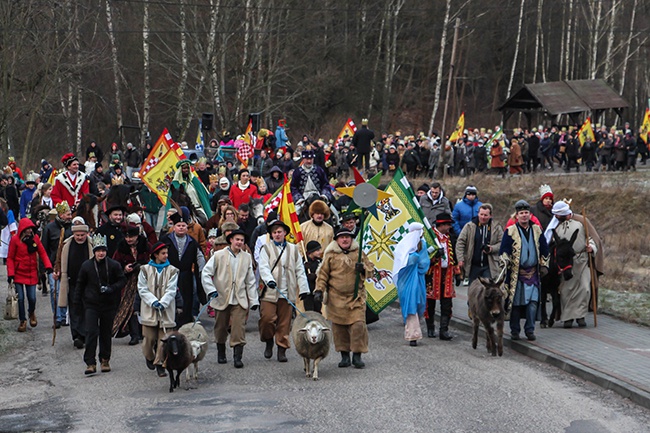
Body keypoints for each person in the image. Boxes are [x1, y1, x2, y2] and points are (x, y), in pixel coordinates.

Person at [315, 227, 372, 369]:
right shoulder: (330, 255)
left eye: (347, 236)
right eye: (342, 237)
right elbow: (323, 275)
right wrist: (319, 290)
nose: (345, 239)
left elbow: (371, 270)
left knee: (358, 325)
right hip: (336, 298)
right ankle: (344, 356)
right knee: (339, 329)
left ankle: (357, 355)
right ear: (337, 240)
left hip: (356, 298)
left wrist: (363, 268)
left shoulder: (359, 253)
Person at [202, 229, 258, 368]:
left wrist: (254, 300)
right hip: (221, 297)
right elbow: (206, 273)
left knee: (239, 328)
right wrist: (211, 291)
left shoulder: (246, 258)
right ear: (231, 240)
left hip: (239, 298)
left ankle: (237, 356)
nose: (239, 242)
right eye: (237, 239)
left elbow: (250, 281)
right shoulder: (218, 255)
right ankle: (221, 351)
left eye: (242, 240)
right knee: (220, 328)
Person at [258, 217, 309, 362]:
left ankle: (282, 348)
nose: (277, 234)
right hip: (270, 291)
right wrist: (269, 280)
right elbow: (263, 267)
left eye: (279, 232)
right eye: (274, 232)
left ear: (285, 233)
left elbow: (300, 270)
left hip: (288, 292)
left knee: (284, 323)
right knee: (267, 319)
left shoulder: (294, 249)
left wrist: (304, 288)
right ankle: (268, 340)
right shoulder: (266, 249)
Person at [75, 234, 126, 375]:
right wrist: (77, 304)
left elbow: (122, 280)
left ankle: (105, 359)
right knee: (91, 332)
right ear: (94, 251)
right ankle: (90, 363)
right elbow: (80, 285)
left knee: (105, 333)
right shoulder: (87, 266)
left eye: (103, 250)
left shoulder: (114, 265)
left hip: (108, 304)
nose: (101, 253)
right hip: (91, 304)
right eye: (98, 250)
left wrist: (112, 289)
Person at [499, 200, 549, 341]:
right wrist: (505, 259)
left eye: (526, 213)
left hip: (533, 273)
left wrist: (544, 264)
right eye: (521, 213)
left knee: (533, 303)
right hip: (517, 274)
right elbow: (504, 250)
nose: (524, 216)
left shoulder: (537, 230)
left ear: (530, 214)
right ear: (517, 215)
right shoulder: (510, 231)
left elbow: (545, 248)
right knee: (516, 304)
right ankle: (515, 330)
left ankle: (530, 329)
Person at [547, 202, 597, 328]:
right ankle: (568, 317)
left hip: (582, 260)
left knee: (584, 288)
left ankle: (580, 316)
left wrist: (591, 248)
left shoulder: (581, 224)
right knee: (566, 290)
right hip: (566, 264)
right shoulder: (557, 228)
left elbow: (590, 238)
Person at [137, 242, 179, 377]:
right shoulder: (144, 270)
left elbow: (172, 289)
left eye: (167, 253)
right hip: (149, 311)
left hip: (166, 312)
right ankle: (149, 357)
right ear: (155, 255)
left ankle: (160, 364)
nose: (166, 256)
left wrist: (163, 302)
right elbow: (142, 289)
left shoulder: (173, 270)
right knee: (148, 339)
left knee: (163, 341)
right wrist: (153, 301)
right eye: (163, 253)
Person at [160, 210, 206, 327]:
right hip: (169, 275)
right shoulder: (166, 240)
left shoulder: (192, 242)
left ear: (187, 227)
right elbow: (158, 256)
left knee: (187, 300)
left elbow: (199, 258)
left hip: (186, 277)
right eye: (178, 226)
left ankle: (185, 323)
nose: (181, 228)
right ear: (174, 227)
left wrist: (202, 272)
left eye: (183, 226)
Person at [7, 218, 53, 332]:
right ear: (23, 229)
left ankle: (31, 312)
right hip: (18, 273)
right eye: (27, 229)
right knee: (21, 298)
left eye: (30, 229)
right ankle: (22, 320)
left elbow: (42, 252)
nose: (29, 231)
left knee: (32, 298)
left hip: (31, 273)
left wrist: (48, 266)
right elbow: (10, 258)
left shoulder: (35, 239)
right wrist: (11, 274)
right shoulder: (15, 240)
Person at [55, 221, 92, 348]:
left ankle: (85, 334)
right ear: (74, 234)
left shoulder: (91, 245)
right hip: (72, 282)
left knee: (87, 309)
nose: (80, 237)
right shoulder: (67, 245)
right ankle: (77, 336)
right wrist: (57, 271)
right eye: (78, 235)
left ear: (86, 234)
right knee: (75, 310)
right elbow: (59, 259)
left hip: (88, 284)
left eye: (82, 235)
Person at [112, 224, 150, 345]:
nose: (129, 239)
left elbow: (154, 260)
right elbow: (115, 265)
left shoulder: (146, 245)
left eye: (131, 237)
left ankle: (144, 332)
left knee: (145, 306)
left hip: (145, 279)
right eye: (127, 237)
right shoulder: (121, 248)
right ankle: (134, 334)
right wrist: (124, 269)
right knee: (130, 307)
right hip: (128, 282)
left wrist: (143, 266)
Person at [425, 213, 460, 341]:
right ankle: (430, 327)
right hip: (433, 274)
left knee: (447, 303)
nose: (448, 227)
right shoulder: (430, 237)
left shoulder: (450, 237)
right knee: (430, 302)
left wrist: (457, 273)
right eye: (446, 225)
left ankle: (444, 330)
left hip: (447, 273)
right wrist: (434, 256)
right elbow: (424, 257)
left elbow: (454, 255)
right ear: (440, 225)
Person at [393, 223, 429, 347]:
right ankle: (413, 334)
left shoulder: (421, 245)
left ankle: (413, 330)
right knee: (411, 305)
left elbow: (423, 264)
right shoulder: (403, 246)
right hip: (408, 281)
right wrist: (413, 259)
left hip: (416, 280)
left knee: (417, 304)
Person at [42, 201, 73, 326]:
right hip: (53, 264)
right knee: (55, 290)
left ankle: (64, 316)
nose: (70, 216)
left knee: (64, 290)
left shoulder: (72, 227)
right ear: (60, 214)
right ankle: (57, 316)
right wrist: (46, 267)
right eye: (67, 214)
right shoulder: (49, 228)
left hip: (68, 265)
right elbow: (44, 247)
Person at [456, 203, 504, 284]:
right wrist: (460, 259)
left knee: (487, 291)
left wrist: (492, 248)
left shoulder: (497, 227)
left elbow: (501, 243)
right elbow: (460, 243)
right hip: (473, 265)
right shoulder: (469, 226)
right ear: (478, 214)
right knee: (474, 291)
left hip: (489, 265)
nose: (483, 217)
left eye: (485, 215)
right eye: (481, 214)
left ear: (490, 215)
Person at [302, 240, 323, 313]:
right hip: (307, 291)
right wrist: (305, 268)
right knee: (309, 311)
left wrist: (316, 276)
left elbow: (323, 273)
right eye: (317, 250)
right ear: (311, 252)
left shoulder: (320, 262)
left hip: (316, 290)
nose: (320, 252)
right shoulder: (303, 261)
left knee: (318, 310)